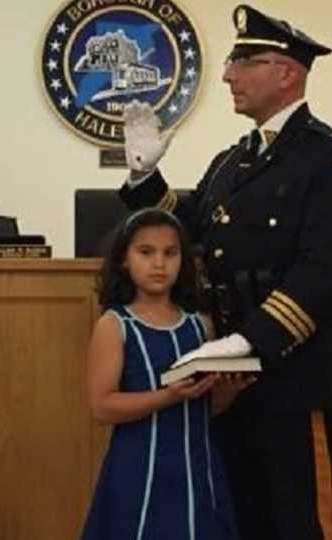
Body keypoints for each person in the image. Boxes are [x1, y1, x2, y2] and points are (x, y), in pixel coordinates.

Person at [119, 5, 332, 539]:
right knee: (242, 519)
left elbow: (320, 273)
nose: (229, 74)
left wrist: (247, 342)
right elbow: (184, 234)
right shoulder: (233, 161)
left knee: (303, 521)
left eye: (243, 60)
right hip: (228, 379)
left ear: (286, 72)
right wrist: (145, 176)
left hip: (291, 377)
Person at [80, 208, 253, 540]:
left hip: (198, 468)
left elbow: (207, 407)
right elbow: (102, 407)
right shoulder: (115, 325)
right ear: (124, 260)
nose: (159, 263)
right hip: (139, 469)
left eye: (170, 253)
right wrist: (168, 395)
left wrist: (228, 391)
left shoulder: (200, 323)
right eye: (146, 252)